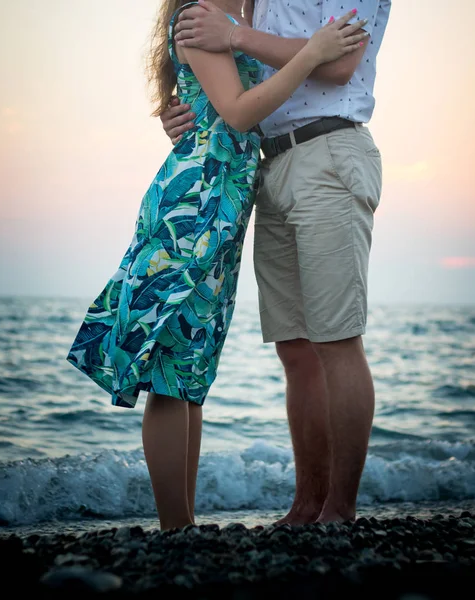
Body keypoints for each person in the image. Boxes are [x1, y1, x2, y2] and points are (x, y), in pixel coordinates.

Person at [66, 0, 369, 531]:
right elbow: (238, 112)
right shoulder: (200, 15)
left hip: (225, 208)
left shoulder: (244, 17)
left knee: (189, 370)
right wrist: (312, 52)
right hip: (194, 204)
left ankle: (182, 526)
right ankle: (174, 527)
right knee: (167, 366)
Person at [161, 0, 391, 525]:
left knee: (336, 340)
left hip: (330, 151)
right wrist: (189, 111)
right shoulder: (253, 1)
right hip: (270, 163)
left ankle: (340, 510)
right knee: (295, 348)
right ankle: (306, 504)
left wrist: (236, 36)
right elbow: (240, 85)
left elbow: (336, 64)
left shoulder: (245, 19)